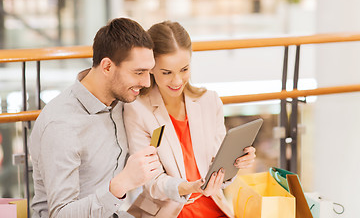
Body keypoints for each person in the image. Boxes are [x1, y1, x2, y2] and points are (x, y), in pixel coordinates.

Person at [29, 18, 162, 218]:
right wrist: (120, 185)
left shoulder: (119, 100)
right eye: (139, 72)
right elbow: (59, 215)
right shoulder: (61, 125)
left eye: (149, 72)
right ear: (107, 67)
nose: (146, 82)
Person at [123, 21, 256, 217]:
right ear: (150, 67)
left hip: (214, 209)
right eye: (167, 72)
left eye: (184, 70)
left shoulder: (209, 101)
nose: (177, 81)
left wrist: (236, 162)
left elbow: (219, 168)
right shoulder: (137, 110)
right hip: (170, 212)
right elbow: (152, 183)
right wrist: (190, 187)